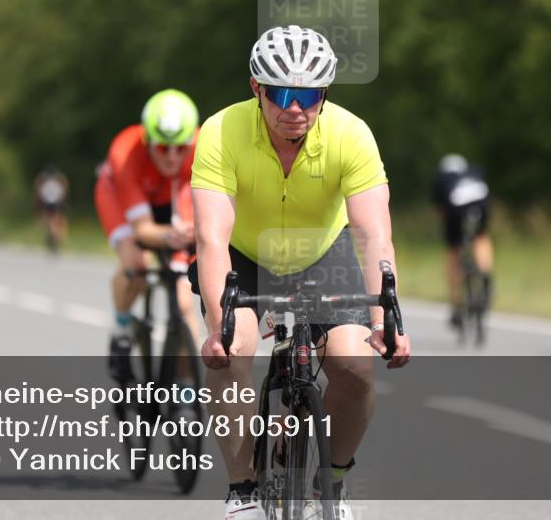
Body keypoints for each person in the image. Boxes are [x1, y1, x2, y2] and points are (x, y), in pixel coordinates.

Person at [189, 25, 412, 520]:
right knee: (233, 351)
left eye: (309, 95)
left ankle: (328, 485)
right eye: (282, 94)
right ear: (256, 89)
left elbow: (374, 234)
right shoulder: (220, 132)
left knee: (354, 365)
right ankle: (243, 491)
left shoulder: (351, 135)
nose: (295, 108)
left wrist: (387, 321)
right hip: (245, 256)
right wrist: (217, 326)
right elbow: (211, 237)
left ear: (324, 93)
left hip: (323, 256)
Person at [95, 89, 202, 379]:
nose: (171, 156)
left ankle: (186, 388)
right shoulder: (125, 151)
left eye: (180, 148)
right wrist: (171, 237)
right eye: (162, 148)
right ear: (147, 142)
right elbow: (142, 229)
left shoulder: (203, 146)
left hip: (169, 199)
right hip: (120, 197)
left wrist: (188, 237)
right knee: (136, 263)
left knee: (182, 301)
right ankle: (121, 331)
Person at [431, 153, 494, 330]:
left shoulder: (442, 178)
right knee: (481, 237)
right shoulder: (475, 171)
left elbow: (441, 211)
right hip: (480, 204)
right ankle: (486, 274)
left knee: (453, 251)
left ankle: (456, 304)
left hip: (455, 210)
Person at [34, 165, 69, 252]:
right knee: (54, 223)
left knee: (50, 223)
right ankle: (54, 239)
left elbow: (40, 195)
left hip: (49, 204)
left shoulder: (46, 184)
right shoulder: (58, 183)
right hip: (57, 204)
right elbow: (63, 193)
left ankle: (53, 238)